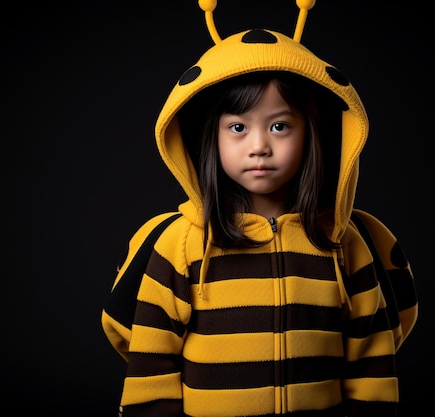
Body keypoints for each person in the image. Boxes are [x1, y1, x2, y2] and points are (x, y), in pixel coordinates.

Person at [102, 1, 418, 416]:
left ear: (311, 135)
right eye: (238, 127)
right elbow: (151, 367)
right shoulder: (181, 244)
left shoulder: (345, 243)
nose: (259, 146)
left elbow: (371, 361)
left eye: (280, 125)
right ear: (209, 138)